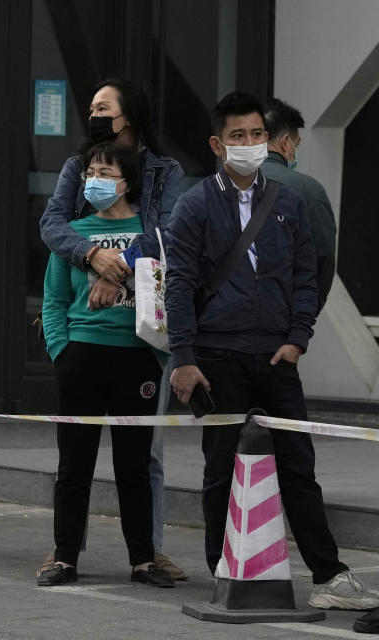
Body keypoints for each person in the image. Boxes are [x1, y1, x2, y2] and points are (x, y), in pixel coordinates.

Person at [165, 90, 379, 610]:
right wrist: (185, 358)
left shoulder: (287, 201)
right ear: (218, 144)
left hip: (277, 358)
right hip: (216, 357)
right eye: (237, 137)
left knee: (298, 466)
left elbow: (307, 275)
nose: (249, 144)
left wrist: (298, 337)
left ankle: (329, 577)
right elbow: (179, 285)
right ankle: (225, 568)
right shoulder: (195, 204)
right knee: (222, 469)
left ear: (269, 139)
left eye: (257, 135)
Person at [38, 78, 186, 579]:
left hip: (139, 346)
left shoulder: (165, 173)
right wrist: (92, 256)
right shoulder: (77, 173)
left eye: (104, 107)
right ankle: (65, 554)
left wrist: (117, 266)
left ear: (131, 114)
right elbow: (53, 230)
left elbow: (166, 238)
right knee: (73, 463)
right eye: (91, 106)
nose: (94, 113)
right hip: (82, 350)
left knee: (142, 460)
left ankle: (147, 554)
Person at [262, 98, 337, 314]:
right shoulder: (309, 191)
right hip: (277, 323)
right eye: (297, 145)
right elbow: (322, 259)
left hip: (216, 328)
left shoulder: (214, 186)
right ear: (286, 142)